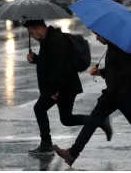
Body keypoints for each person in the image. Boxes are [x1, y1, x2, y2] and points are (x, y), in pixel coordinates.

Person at [23, 20, 112, 154]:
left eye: (32, 32)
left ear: (39, 29)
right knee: (66, 119)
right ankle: (98, 120)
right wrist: (36, 59)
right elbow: (49, 62)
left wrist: (54, 91)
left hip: (64, 86)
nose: (32, 36)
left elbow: (59, 67)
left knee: (41, 109)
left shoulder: (56, 41)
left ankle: (46, 143)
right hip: (61, 85)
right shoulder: (47, 40)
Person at [54, 32, 131, 167]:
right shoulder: (114, 47)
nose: (96, 38)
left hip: (123, 95)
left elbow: (126, 72)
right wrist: (101, 72)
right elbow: (114, 70)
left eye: (99, 35)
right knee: (92, 121)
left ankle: (72, 153)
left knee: (92, 121)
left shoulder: (122, 48)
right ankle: (72, 153)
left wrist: (114, 87)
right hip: (112, 95)